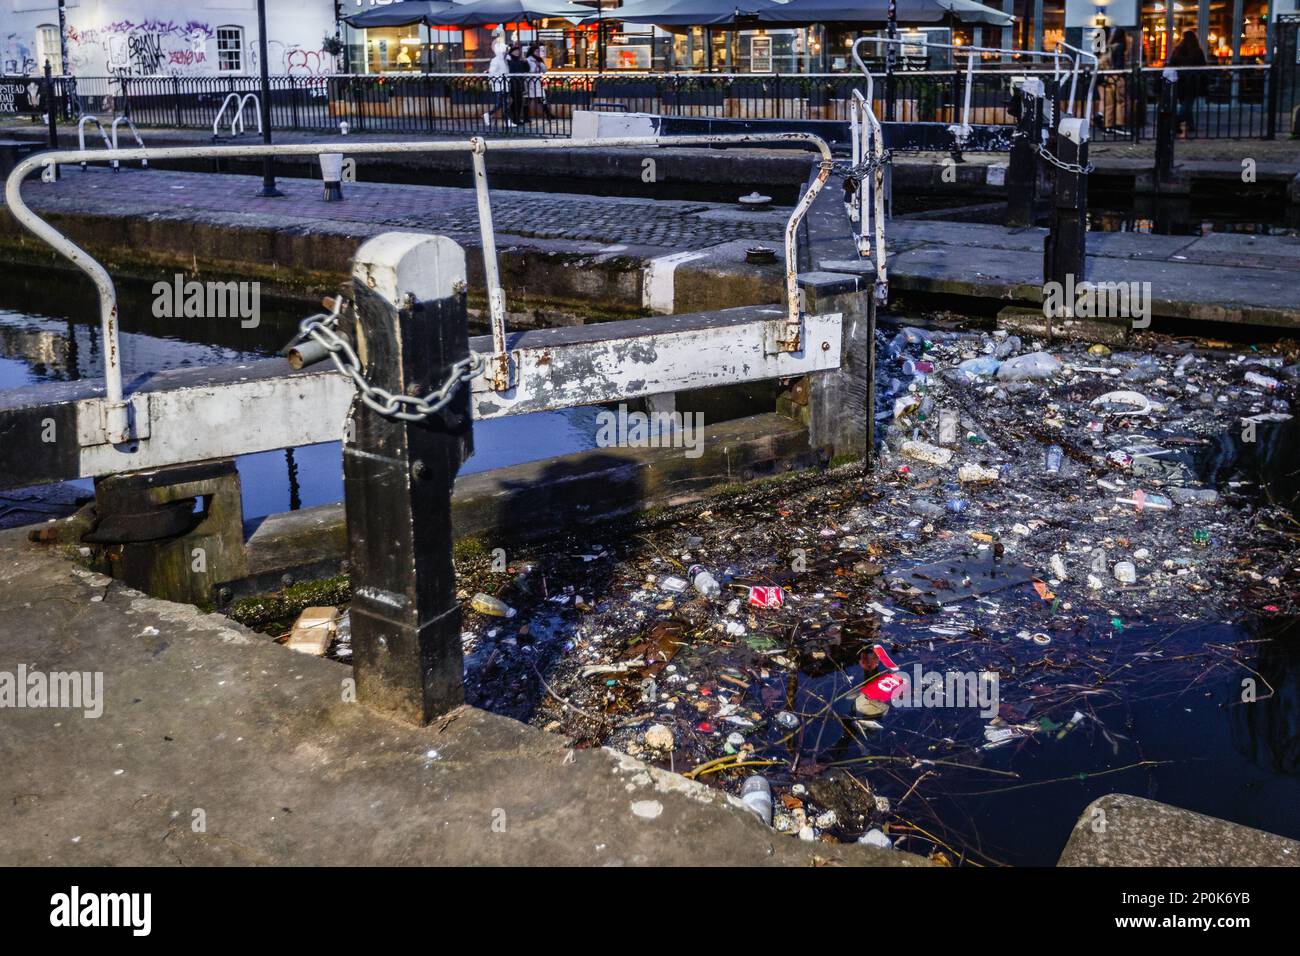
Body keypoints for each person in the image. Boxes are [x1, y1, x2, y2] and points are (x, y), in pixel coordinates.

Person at [1167, 29, 1207, 138]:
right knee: (1188, 104)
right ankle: (1176, 121)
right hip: (1192, 81)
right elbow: (1203, 66)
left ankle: (1190, 125)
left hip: (1180, 81)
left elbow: (1171, 64)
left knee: (1185, 103)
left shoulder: (1177, 50)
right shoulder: (1197, 51)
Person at [1101, 27, 1128, 131]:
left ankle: (1108, 125)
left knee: (1109, 102)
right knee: (1120, 102)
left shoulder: (1109, 47)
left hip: (1108, 76)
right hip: (1117, 76)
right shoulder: (1120, 46)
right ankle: (1119, 123)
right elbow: (1119, 64)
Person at [483, 41, 512, 127]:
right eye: (505, 50)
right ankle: (506, 121)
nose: (506, 51)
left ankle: (490, 115)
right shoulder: (495, 60)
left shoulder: (505, 60)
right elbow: (492, 71)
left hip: (504, 84)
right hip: (500, 85)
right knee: (503, 103)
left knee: (502, 103)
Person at [525, 43, 554, 121]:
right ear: (532, 52)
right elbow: (527, 71)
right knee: (528, 99)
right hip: (530, 82)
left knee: (542, 99)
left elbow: (545, 70)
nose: (538, 53)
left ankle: (548, 114)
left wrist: (540, 65)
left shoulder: (539, 60)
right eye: (536, 51)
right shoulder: (528, 60)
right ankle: (526, 117)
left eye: (538, 51)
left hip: (537, 82)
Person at [506, 43, 530, 127]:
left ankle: (516, 118)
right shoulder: (509, 60)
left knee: (519, 102)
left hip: (520, 84)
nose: (517, 52)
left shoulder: (520, 60)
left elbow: (527, 69)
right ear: (511, 52)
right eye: (515, 51)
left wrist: (525, 61)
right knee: (516, 102)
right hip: (512, 84)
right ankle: (514, 119)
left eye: (518, 51)